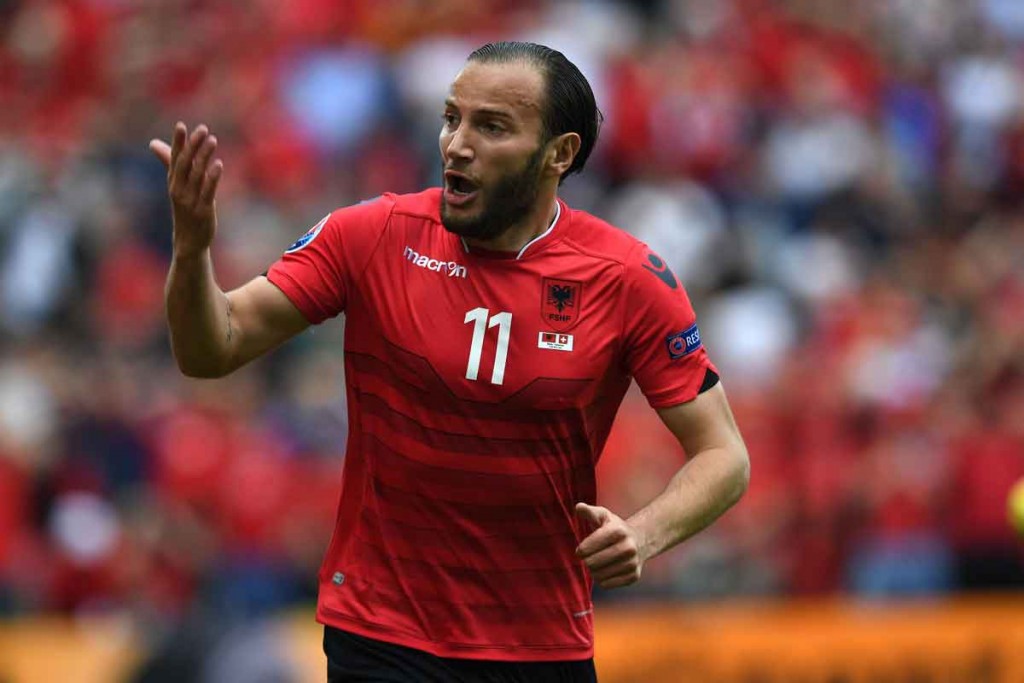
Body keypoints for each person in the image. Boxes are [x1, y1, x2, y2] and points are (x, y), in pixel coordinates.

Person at [151, 41, 749, 683]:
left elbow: (724, 455)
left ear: (560, 153)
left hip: (540, 644)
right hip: (380, 633)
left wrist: (644, 534)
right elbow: (212, 349)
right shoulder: (373, 234)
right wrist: (191, 250)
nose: (457, 145)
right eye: (451, 118)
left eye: (491, 127)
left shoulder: (627, 278)